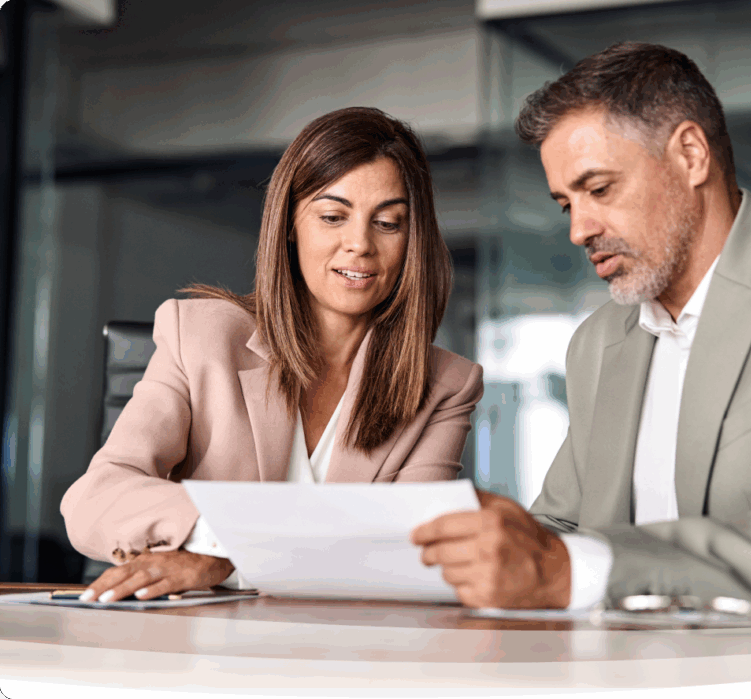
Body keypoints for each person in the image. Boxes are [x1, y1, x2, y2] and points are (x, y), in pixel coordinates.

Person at [411, 42, 751, 610]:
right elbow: (561, 530)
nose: (579, 229)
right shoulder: (600, 342)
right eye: (566, 204)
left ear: (691, 155)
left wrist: (575, 569)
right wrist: (495, 545)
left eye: (599, 189)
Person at [62, 107, 484, 603]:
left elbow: (416, 556)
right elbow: (95, 498)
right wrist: (218, 544)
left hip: (352, 652)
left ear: (412, 239)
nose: (360, 245)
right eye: (332, 217)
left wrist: (231, 556)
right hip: (201, 651)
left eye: (388, 223)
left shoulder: (447, 384)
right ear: (290, 225)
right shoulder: (198, 335)